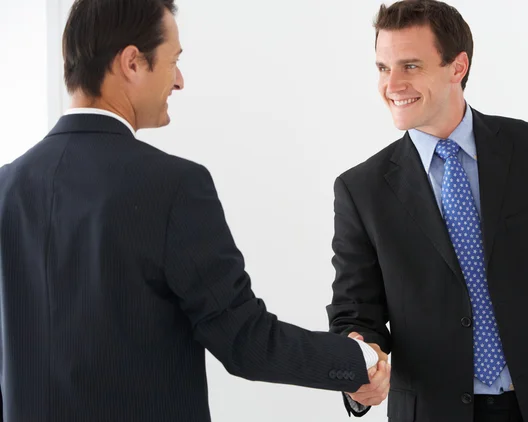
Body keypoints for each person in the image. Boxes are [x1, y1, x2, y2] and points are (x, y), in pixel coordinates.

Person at [0, 0, 392, 421]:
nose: (180, 81)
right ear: (132, 62)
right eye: (174, 61)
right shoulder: (172, 186)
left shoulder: (7, 186)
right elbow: (244, 341)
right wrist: (358, 359)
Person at [327, 1, 528, 421]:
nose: (392, 84)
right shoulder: (360, 189)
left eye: (411, 66)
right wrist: (360, 366)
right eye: (383, 67)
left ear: (458, 67)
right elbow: (355, 311)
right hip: (434, 410)